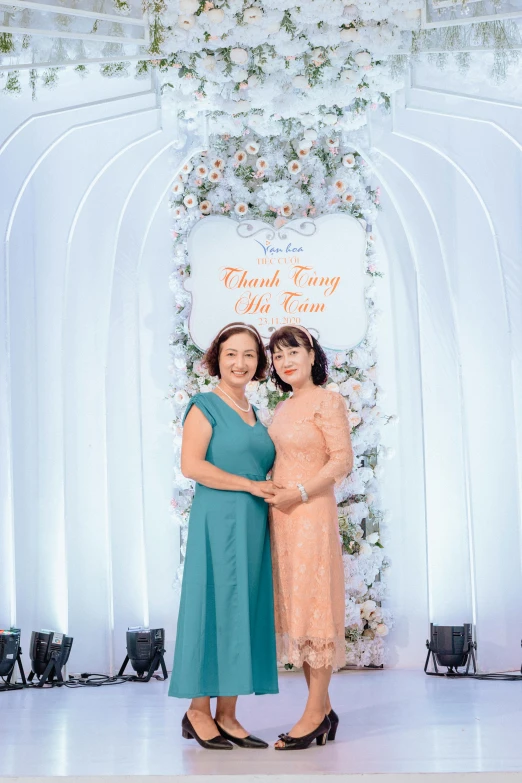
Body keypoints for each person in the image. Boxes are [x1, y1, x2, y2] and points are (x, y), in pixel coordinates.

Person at [169, 322, 279, 750]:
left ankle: (228, 714)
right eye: (232, 353)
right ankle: (198, 710)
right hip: (218, 518)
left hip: (253, 521)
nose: (241, 362)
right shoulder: (204, 406)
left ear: (259, 362)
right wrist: (251, 485)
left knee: (243, 607)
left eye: (249, 354)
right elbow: (192, 466)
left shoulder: (255, 413)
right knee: (212, 603)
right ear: (217, 358)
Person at [266, 324, 354, 751]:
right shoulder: (282, 408)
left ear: (311, 354)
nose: (285, 362)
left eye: (292, 352)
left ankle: (313, 713)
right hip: (283, 520)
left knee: (315, 609)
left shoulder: (327, 401)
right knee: (300, 611)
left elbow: (341, 461)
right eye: (278, 356)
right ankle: (324, 708)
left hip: (311, 514)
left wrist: (299, 492)